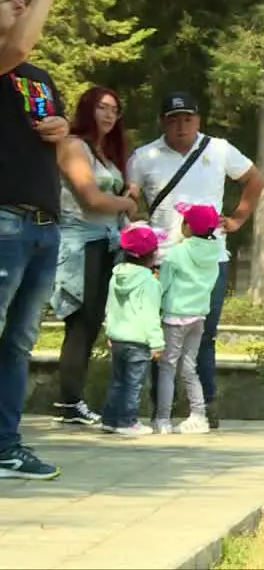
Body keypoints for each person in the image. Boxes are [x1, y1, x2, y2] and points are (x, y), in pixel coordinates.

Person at [127, 91, 264, 429]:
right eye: (173, 119)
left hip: (208, 260)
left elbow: (254, 179)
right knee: (160, 335)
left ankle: (205, 406)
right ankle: (162, 407)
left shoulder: (218, 149)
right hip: (162, 259)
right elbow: (130, 199)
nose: (181, 126)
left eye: (188, 118)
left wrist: (237, 219)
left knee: (203, 334)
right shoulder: (144, 157)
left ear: (199, 120)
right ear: (163, 122)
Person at [0, 0, 80, 480]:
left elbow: (53, 141)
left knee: (20, 342)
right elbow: (18, 46)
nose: (20, 2)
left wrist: (62, 127)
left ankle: (5, 447)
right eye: (8, 0)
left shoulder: (39, 77)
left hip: (44, 225)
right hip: (3, 220)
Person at [51, 86, 138, 425]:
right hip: (78, 244)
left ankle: (74, 400)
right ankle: (69, 402)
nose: (108, 114)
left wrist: (125, 198)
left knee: (91, 324)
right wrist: (127, 203)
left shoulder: (105, 154)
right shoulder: (74, 146)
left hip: (105, 243)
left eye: (114, 110)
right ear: (88, 109)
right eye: (102, 107)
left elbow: (110, 199)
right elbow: (91, 199)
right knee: (80, 323)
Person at [154, 203, 222, 435]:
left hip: (175, 316)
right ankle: (198, 416)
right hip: (198, 316)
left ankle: (163, 419)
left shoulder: (177, 252)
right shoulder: (215, 254)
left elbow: (163, 285)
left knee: (167, 367)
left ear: (188, 227)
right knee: (189, 367)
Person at [100, 225, 164, 437]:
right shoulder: (150, 283)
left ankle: (110, 420)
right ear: (152, 255)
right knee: (134, 384)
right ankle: (128, 422)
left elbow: (110, 306)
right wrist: (157, 343)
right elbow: (150, 315)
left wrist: (109, 331)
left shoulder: (116, 276)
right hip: (138, 341)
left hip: (117, 338)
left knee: (117, 381)